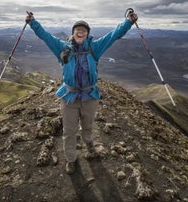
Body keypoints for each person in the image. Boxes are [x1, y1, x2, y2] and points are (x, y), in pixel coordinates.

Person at [25, 11, 138, 174]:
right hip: (69, 97)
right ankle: (71, 159)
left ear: (87, 34)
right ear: (73, 32)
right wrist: (32, 22)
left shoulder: (95, 47)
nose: (80, 32)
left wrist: (129, 22)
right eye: (77, 29)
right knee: (69, 131)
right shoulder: (62, 48)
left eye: (84, 30)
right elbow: (45, 36)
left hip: (89, 96)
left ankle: (90, 145)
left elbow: (113, 35)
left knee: (88, 126)